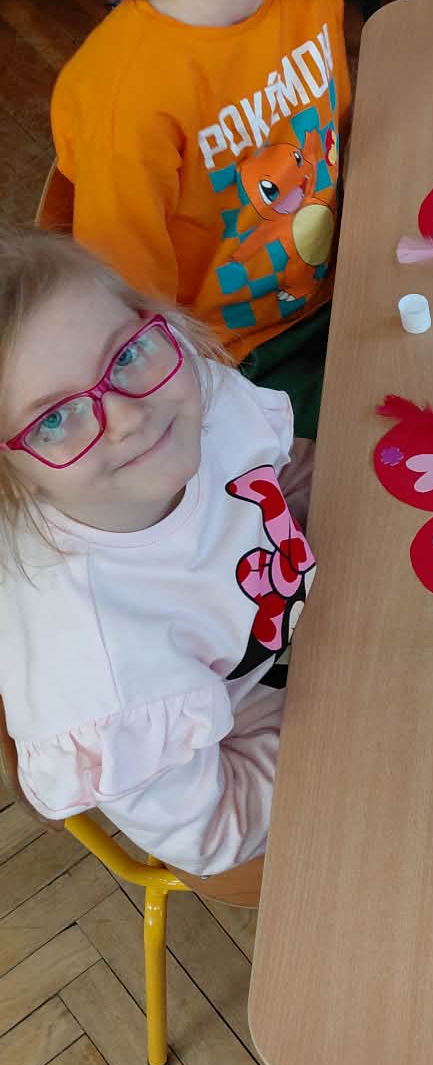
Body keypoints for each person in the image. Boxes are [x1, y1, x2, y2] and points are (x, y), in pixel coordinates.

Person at [51, 0, 352, 440]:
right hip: (234, 363)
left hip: (343, 278)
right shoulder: (126, 96)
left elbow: (338, 129)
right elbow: (133, 319)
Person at [0, 230, 314, 877]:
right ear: (13, 479)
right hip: (254, 744)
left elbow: (283, 468)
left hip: (315, 629)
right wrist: (360, 706)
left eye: (123, 355)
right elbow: (218, 832)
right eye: (53, 419)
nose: (129, 417)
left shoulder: (177, 386)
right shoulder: (100, 672)